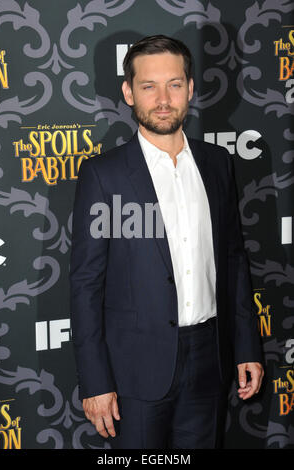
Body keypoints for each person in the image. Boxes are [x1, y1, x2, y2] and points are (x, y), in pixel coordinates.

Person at [70, 35, 264, 449]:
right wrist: (95, 380)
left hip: (210, 359)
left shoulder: (217, 164)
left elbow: (232, 260)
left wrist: (246, 345)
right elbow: (86, 285)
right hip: (134, 372)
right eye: (148, 86)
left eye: (174, 84)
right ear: (128, 92)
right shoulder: (104, 175)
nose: (163, 99)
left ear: (190, 88)